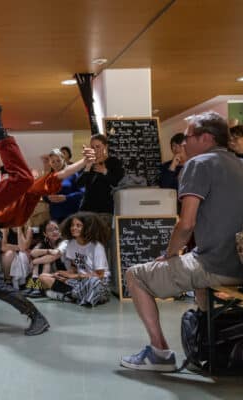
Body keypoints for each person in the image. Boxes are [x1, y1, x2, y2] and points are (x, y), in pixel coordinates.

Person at [120, 111, 243, 372]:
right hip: (238, 266)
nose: (183, 143)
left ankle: (159, 353)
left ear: (206, 138)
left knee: (135, 275)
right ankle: (212, 347)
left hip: (215, 265)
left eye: (188, 137)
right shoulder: (238, 163)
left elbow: (186, 224)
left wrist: (170, 254)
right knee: (198, 278)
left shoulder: (199, 164)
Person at [0, 145, 95, 335]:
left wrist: (84, 162)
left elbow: (64, 175)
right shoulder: (5, 187)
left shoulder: (30, 186)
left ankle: (37, 313)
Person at [38, 212, 111, 306]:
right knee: (43, 277)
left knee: (93, 281)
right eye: (72, 225)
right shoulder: (71, 244)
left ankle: (68, 296)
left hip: (96, 283)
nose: (73, 228)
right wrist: (62, 274)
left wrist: (75, 276)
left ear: (87, 227)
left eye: (78, 225)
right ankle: (75, 296)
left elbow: (100, 275)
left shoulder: (96, 246)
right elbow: (74, 268)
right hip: (79, 282)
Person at [76, 133, 124, 215]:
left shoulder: (114, 162)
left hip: (105, 209)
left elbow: (117, 183)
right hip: (87, 209)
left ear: (105, 146)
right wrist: (87, 167)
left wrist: (105, 171)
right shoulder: (87, 162)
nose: (95, 150)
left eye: (98, 147)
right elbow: (79, 184)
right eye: (92, 147)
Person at [23, 219, 68, 297]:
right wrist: (48, 250)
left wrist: (34, 261)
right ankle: (35, 285)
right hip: (50, 272)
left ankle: (39, 287)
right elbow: (33, 252)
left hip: (63, 272)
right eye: (50, 230)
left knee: (45, 261)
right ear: (45, 234)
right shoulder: (44, 243)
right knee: (40, 258)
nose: (54, 232)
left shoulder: (64, 242)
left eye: (56, 229)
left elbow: (52, 258)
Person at [43, 148, 84, 223]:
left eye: (58, 160)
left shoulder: (73, 174)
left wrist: (66, 198)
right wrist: (48, 197)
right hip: (55, 215)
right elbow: (44, 195)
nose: (56, 164)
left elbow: (82, 193)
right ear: (50, 163)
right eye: (53, 161)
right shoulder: (48, 178)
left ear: (63, 160)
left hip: (72, 215)